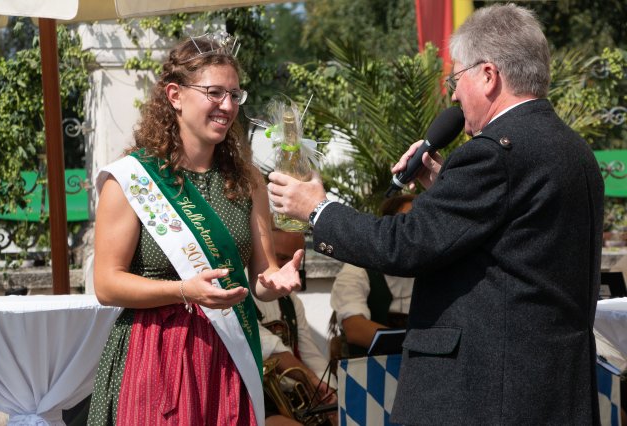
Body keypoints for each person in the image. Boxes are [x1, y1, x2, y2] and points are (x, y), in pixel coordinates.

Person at [267, 4, 604, 425]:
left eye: (456, 78)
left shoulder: (496, 153)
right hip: (549, 389)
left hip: (485, 396)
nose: (453, 94)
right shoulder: (573, 150)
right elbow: (511, 242)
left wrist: (317, 208)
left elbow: (404, 245)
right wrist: (444, 184)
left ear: (488, 74)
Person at [88, 32, 303, 426]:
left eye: (235, 95)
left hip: (228, 355)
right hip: (155, 355)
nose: (228, 106)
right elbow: (106, 284)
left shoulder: (248, 180)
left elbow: (260, 274)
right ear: (174, 95)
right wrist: (183, 290)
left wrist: (276, 279)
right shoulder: (132, 179)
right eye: (215, 93)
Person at [257, 226, 337, 426]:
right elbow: (268, 348)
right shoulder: (238, 294)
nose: (289, 268)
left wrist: (329, 391)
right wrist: (311, 380)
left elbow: (309, 352)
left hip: (287, 397)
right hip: (253, 396)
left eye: (295, 261)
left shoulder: (292, 301)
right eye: (281, 258)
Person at [330, 194, 414, 358]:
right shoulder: (358, 269)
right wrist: (418, 346)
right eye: (409, 224)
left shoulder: (432, 270)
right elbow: (355, 329)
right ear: (388, 228)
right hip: (369, 373)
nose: (416, 233)